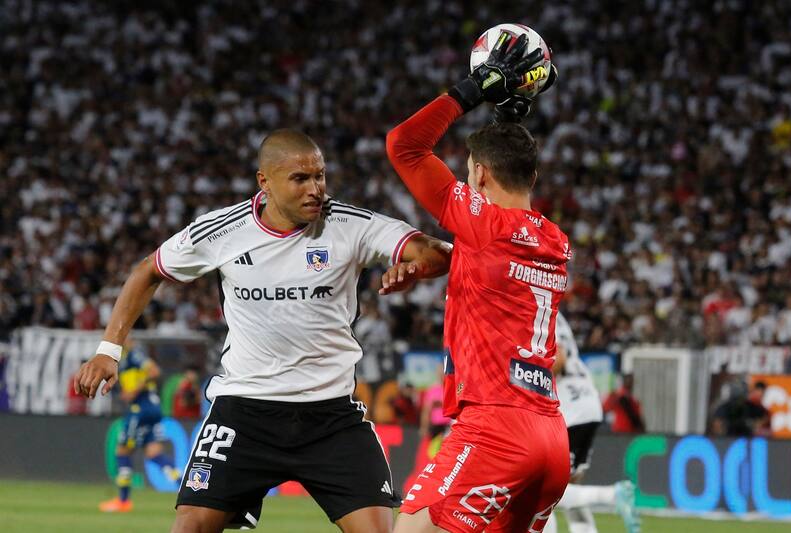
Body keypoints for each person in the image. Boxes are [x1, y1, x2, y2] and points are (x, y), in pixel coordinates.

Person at [73, 129, 452, 533]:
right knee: (191, 527)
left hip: (331, 416)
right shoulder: (222, 231)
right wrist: (108, 351)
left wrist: (417, 268)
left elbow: (438, 251)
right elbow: (148, 270)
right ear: (264, 182)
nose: (316, 189)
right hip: (245, 410)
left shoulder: (349, 225)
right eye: (301, 179)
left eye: (320, 176)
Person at [385, 32, 570, 532]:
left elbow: (404, 146)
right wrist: (511, 114)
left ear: (481, 177)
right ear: (531, 179)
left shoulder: (482, 223)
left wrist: (475, 89)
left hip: (494, 427)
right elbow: (488, 256)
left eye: (469, 175)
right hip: (552, 436)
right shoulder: (554, 240)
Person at [542, 314, 640, 533]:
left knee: (542, 489)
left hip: (568, 407)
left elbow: (558, 357)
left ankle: (612, 495)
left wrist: (531, 381)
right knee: (569, 485)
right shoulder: (554, 311)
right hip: (586, 401)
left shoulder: (539, 310)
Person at [99, 341, 181, 512]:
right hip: (153, 409)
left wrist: (134, 391)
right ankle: (185, 488)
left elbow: (154, 371)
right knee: (154, 453)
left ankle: (123, 501)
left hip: (140, 410)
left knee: (122, 451)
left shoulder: (135, 355)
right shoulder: (123, 362)